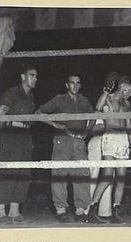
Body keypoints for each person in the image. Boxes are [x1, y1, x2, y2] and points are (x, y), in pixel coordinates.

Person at [36, 74, 95, 223]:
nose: (75, 86)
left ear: (80, 85)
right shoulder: (59, 99)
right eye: (72, 83)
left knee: (82, 174)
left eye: (77, 83)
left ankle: (80, 211)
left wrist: (87, 132)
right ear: (67, 85)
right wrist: (56, 125)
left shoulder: (84, 100)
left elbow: (93, 116)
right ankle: (61, 210)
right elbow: (39, 113)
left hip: (79, 141)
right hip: (62, 140)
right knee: (59, 175)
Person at [87, 74, 131, 224]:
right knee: (107, 176)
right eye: (130, 90)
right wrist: (107, 90)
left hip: (123, 140)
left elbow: (128, 124)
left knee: (121, 178)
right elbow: (98, 108)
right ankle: (92, 208)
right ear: (123, 88)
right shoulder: (108, 99)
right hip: (110, 137)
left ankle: (116, 211)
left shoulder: (127, 104)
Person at [0, 65, 38, 223]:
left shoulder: (31, 96)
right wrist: (18, 124)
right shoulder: (12, 93)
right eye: (32, 75)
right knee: (8, 172)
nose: (35, 79)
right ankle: (0, 211)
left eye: (36, 76)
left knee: (23, 173)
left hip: (25, 139)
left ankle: (14, 211)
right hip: (11, 138)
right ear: (23, 76)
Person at [87, 72, 120, 220]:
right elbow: (92, 124)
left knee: (109, 176)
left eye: (114, 83)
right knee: (93, 175)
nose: (112, 85)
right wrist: (106, 90)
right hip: (97, 140)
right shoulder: (100, 100)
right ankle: (87, 211)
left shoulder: (117, 103)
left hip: (112, 141)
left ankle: (105, 212)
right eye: (110, 82)